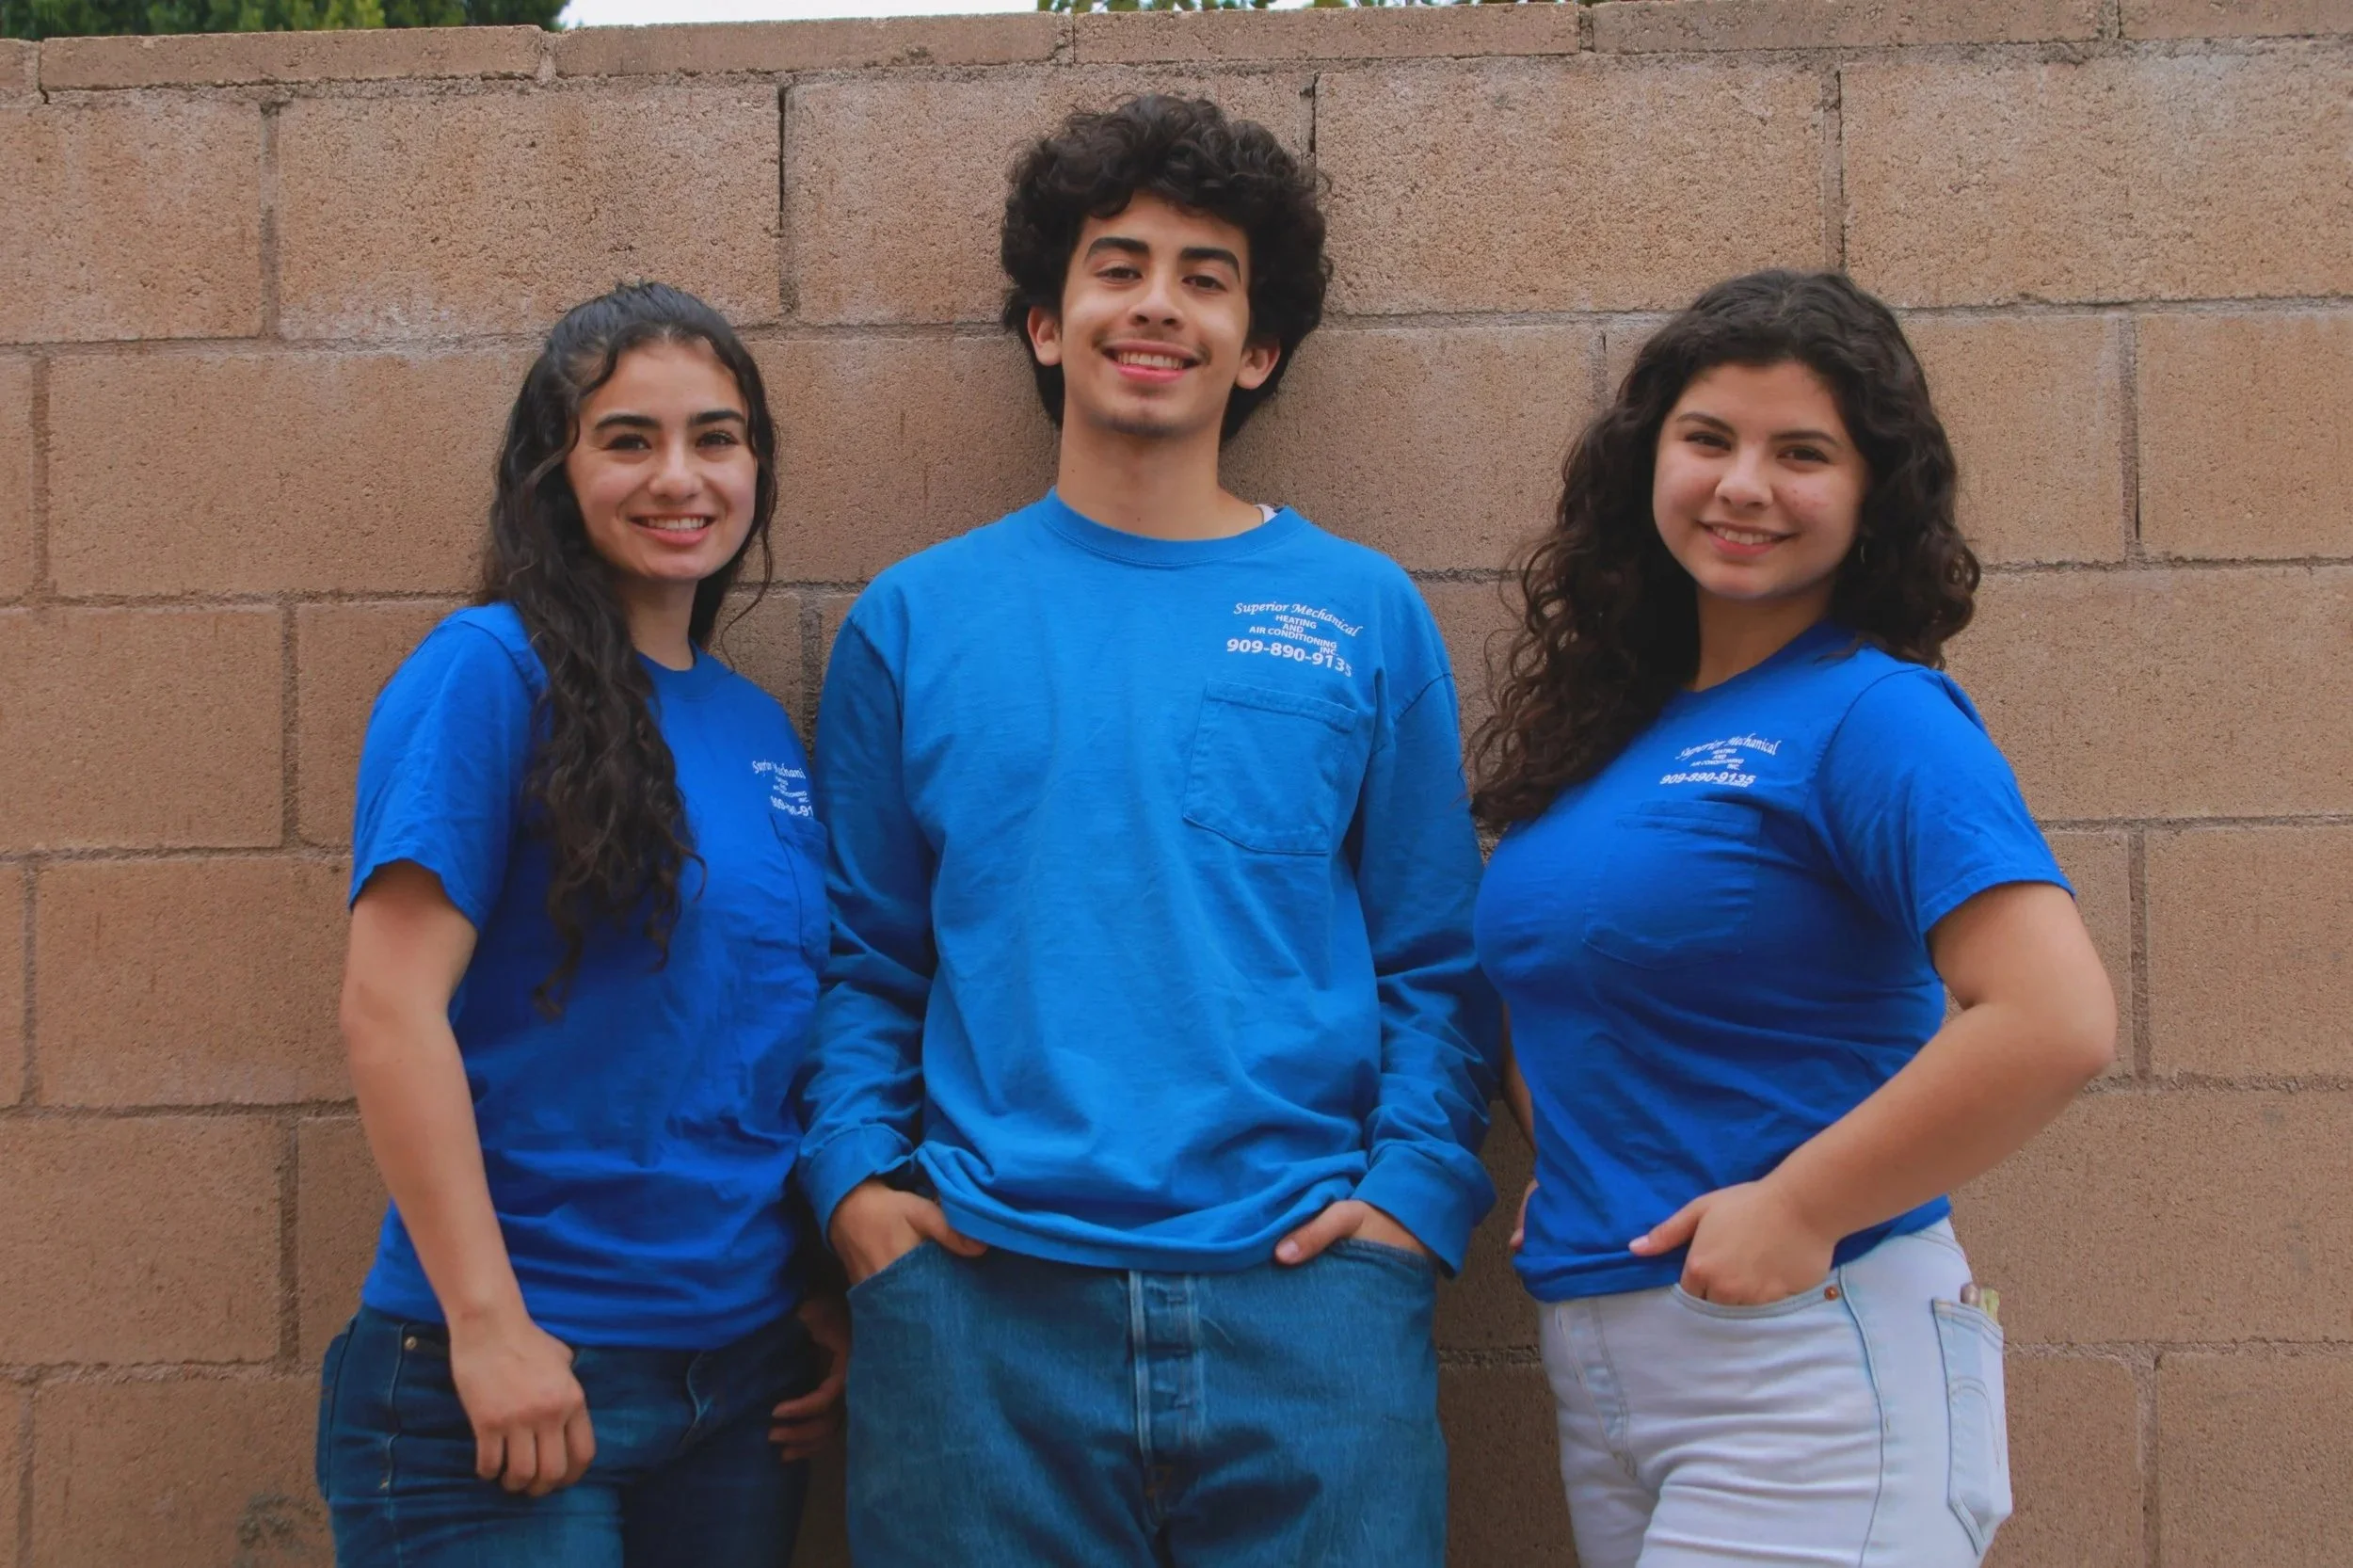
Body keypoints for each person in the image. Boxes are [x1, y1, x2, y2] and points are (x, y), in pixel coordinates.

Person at [796, 95, 1499, 1566]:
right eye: (1117, 265)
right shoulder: (914, 623)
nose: (1156, 302)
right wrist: (858, 1190)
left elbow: (1433, 955)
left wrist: (1409, 1207)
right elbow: (865, 958)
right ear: (1048, 323)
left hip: (1309, 1310)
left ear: (1259, 350)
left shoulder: (1365, 613)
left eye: (1205, 273)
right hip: (982, 1318)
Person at [1472, 269, 2116, 1567]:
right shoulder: (1615, 737)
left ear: (1873, 493)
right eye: (1708, 439)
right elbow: (1555, 993)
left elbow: (2054, 1019)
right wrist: (1589, 1157)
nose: (1744, 484)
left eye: (1802, 452)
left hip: (1813, 1357)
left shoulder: (1877, 714)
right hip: (1611, 1357)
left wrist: (1800, 1205)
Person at [315, 281, 846, 1568]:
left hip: (735, 1392)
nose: (682, 476)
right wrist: (490, 1326)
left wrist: (812, 1291)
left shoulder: (757, 729)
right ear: (557, 469)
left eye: (717, 438)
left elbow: (752, 1041)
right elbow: (387, 1009)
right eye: (630, 438)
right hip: (510, 1381)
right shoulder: (487, 673)